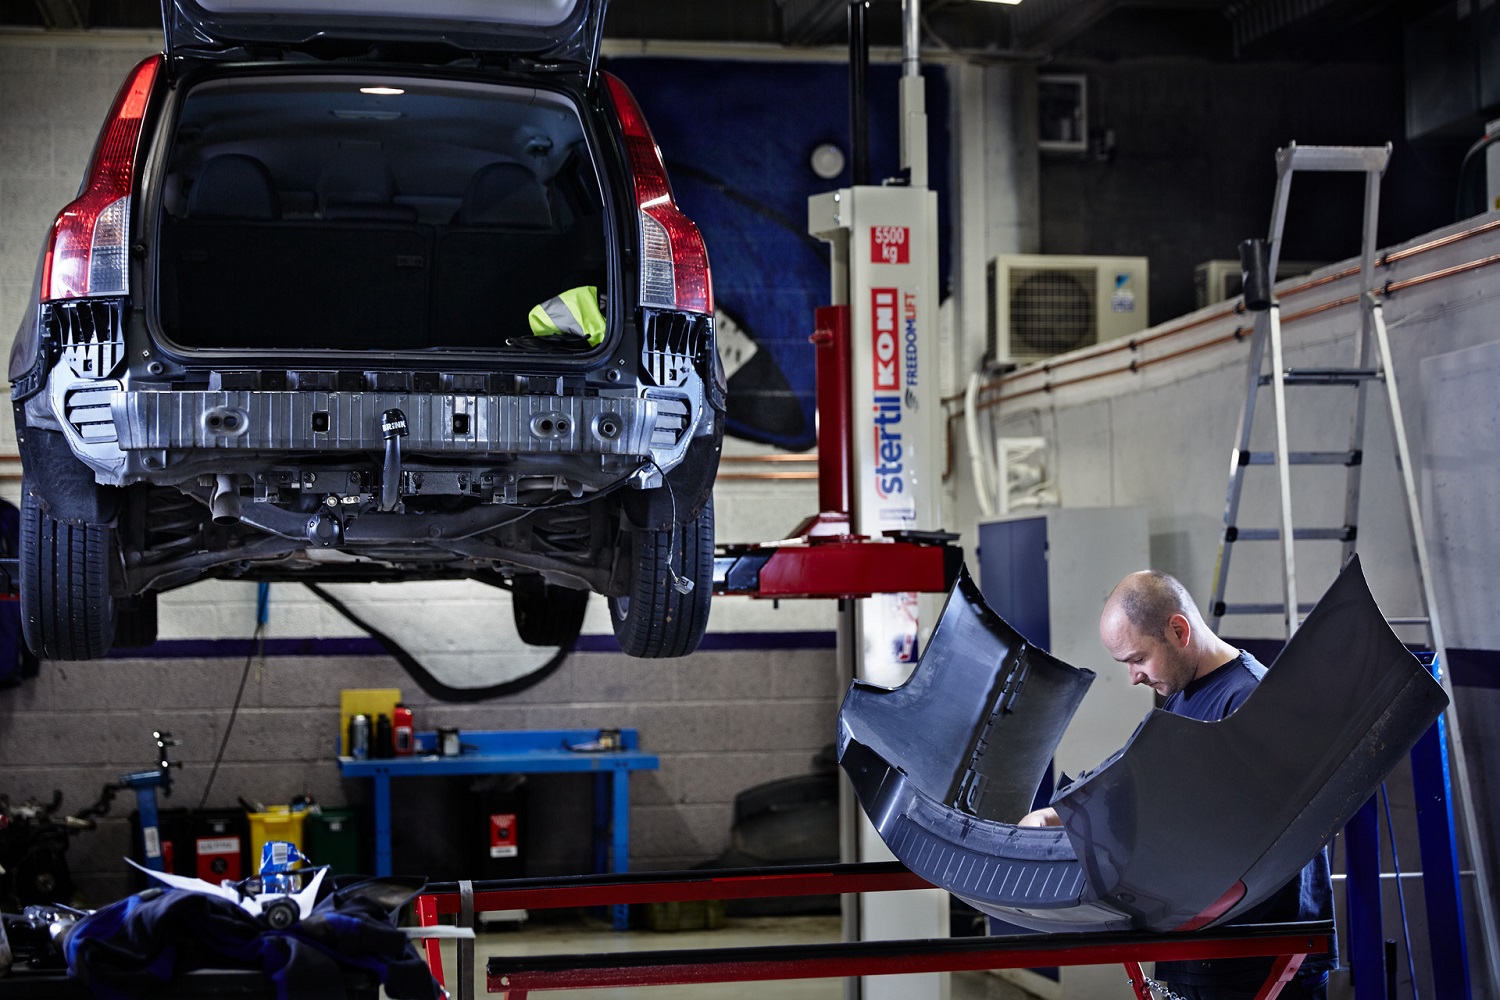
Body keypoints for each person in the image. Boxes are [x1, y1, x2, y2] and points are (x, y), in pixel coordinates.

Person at [1018, 569, 1334, 1000]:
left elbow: (1254, 843)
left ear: (1178, 630)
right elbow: (1131, 772)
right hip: (1201, 950)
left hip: (1258, 962)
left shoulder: (1250, 701)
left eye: (1137, 659)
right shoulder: (1183, 697)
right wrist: (1053, 815)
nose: (1133, 677)